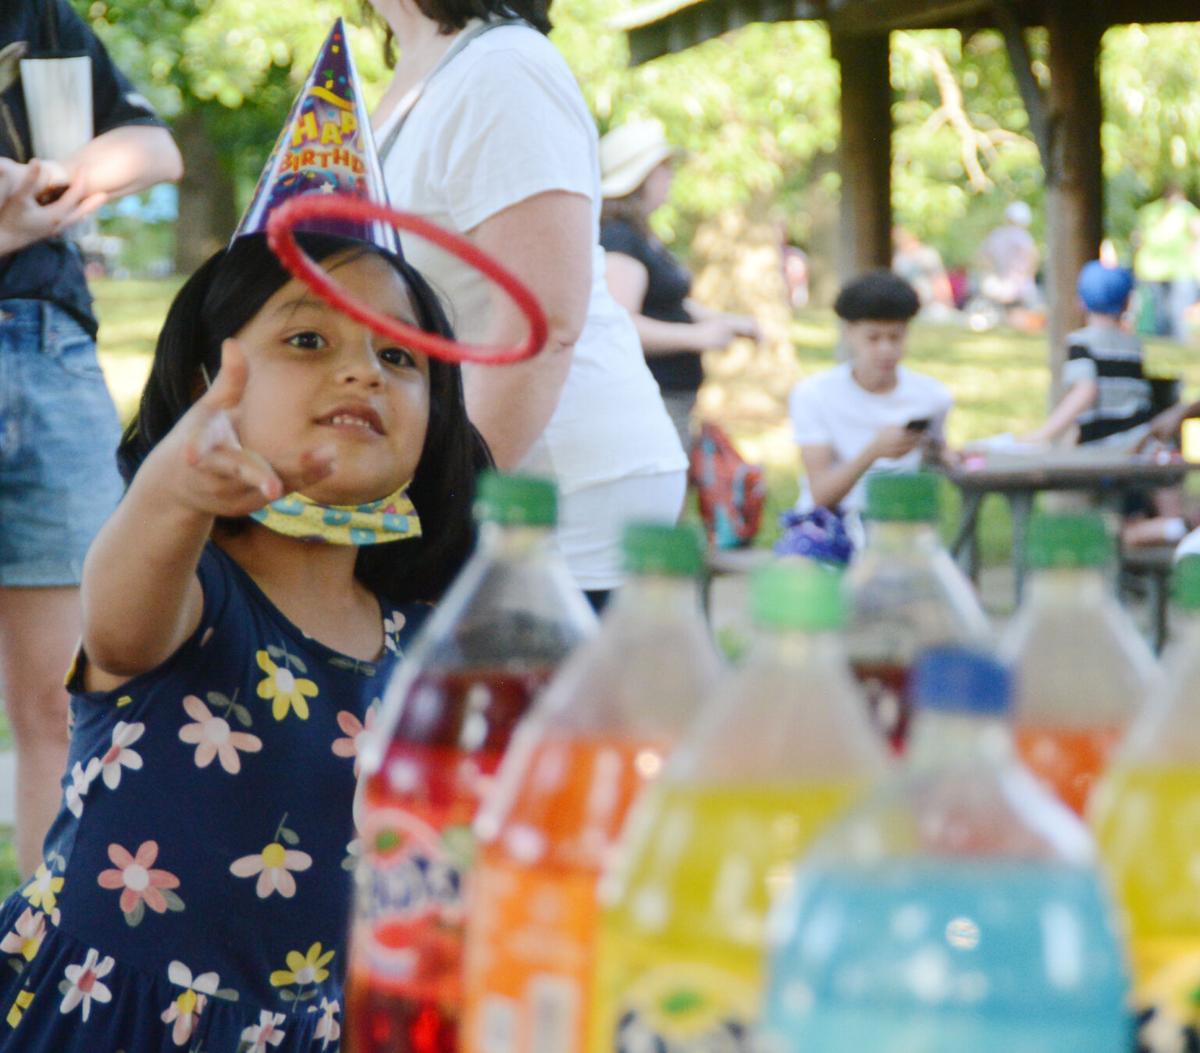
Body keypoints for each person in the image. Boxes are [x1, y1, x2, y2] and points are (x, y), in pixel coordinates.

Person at [0, 27, 491, 1049]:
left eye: (400, 358)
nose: (361, 371)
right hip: (116, 1022)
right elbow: (118, 605)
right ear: (204, 383)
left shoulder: (427, 629)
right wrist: (176, 486)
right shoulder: (188, 590)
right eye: (308, 338)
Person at [369, 0, 687, 612]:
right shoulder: (426, 66)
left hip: (556, 489)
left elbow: (542, 329)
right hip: (479, 478)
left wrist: (438, 517)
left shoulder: (504, 68)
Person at [0, 0, 182, 876]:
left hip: (51, 349)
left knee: (67, 696)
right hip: (47, 347)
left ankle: (41, 936)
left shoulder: (41, 15)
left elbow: (154, 148)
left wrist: (46, 182)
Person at [598, 119, 761, 448]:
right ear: (642, 177)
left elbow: (668, 302)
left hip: (674, 396)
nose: (670, 177)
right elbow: (622, 324)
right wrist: (698, 337)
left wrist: (728, 322)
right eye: (664, 168)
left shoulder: (641, 234)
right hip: (651, 398)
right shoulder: (619, 238)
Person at [1024, 260, 1189, 547]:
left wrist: (1043, 435)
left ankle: (1167, 530)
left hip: (1108, 449)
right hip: (1148, 443)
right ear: (1126, 302)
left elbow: (1085, 392)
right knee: (1163, 489)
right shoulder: (1133, 345)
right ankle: (1177, 529)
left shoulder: (1081, 343)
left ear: (1080, 302)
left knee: (1116, 529)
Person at [787, 270, 953, 547]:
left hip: (898, 525)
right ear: (848, 333)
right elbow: (820, 496)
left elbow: (938, 458)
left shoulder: (932, 396)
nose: (886, 349)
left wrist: (945, 455)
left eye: (895, 337)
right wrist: (873, 452)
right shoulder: (813, 395)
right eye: (873, 338)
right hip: (826, 525)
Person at [1135, 186, 1200, 343]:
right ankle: (1176, 342)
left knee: (1158, 312)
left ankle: (1161, 342)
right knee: (1177, 311)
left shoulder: (1148, 211)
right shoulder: (1186, 210)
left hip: (1151, 269)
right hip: (1180, 269)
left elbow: (1137, 238)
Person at [978, 201, 1040, 312]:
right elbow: (1032, 257)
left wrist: (992, 275)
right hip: (1021, 288)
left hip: (999, 286)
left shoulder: (996, 235)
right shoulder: (1023, 236)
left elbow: (983, 258)